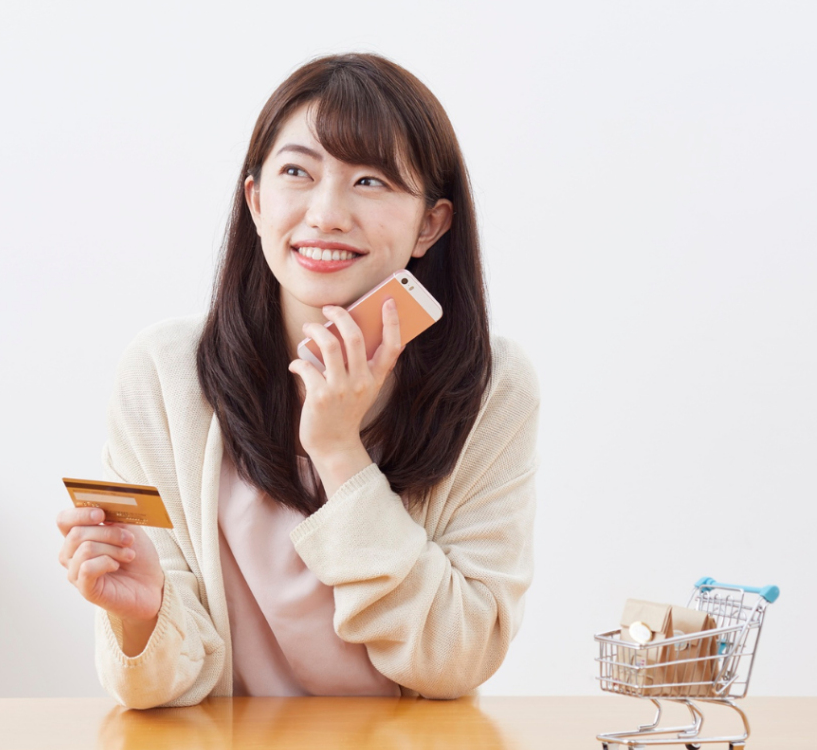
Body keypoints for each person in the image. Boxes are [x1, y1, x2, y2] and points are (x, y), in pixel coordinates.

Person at [57, 53, 539, 708]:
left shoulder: (492, 387)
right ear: (256, 202)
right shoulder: (165, 376)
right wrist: (144, 616)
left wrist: (339, 450)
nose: (327, 214)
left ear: (431, 223)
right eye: (296, 173)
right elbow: (162, 688)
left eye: (370, 181)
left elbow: (459, 657)